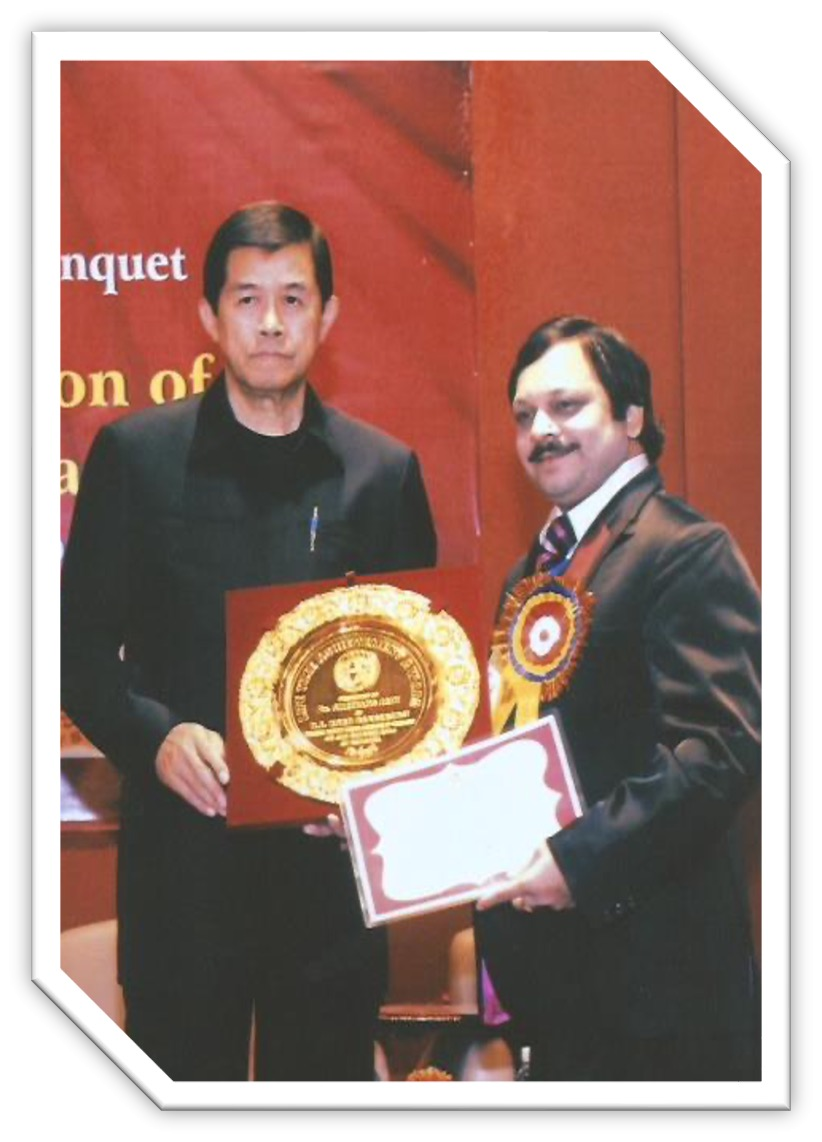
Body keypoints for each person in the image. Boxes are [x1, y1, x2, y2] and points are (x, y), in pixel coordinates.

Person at [61, 201, 437, 1080]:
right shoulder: (135, 457)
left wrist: (371, 788)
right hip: (183, 873)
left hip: (329, 881)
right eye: (247, 299)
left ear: (328, 316)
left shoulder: (383, 474)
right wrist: (155, 739)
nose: (271, 322)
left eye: (294, 299)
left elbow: (418, 681)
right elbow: (73, 651)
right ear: (209, 315)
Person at [475, 316, 760, 1081]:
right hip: (563, 986)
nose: (541, 431)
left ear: (633, 417)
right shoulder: (530, 578)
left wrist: (576, 861)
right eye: (524, 415)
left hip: (661, 991)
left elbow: (721, 752)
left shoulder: (685, 550)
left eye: (567, 406)